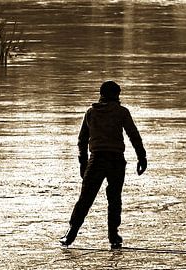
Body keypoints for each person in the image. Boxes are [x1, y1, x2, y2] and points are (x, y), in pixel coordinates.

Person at [59, 80, 147, 249]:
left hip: (97, 159)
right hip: (116, 160)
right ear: (116, 95)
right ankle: (113, 236)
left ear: (101, 95)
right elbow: (133, 135)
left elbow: (82, 140)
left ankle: (71, 233)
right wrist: (141, 157)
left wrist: (83, 163)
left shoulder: (91, 112)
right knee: (114, 199)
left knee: (85, 198)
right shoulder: (122, 112)